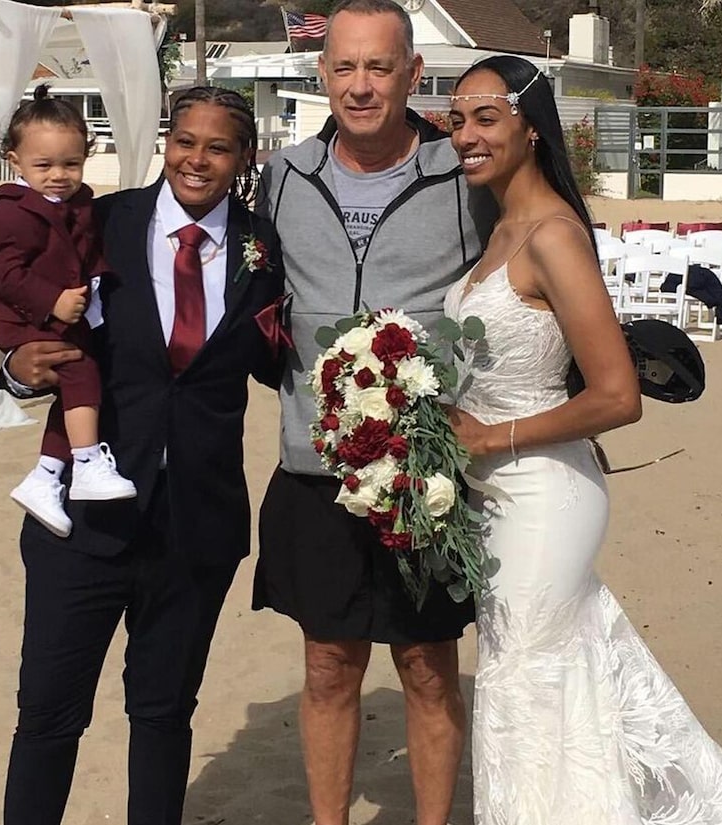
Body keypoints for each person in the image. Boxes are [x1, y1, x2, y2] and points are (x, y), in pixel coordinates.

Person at [444, 54, 722, 824]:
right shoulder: (496, 226)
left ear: (531, 130)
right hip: (492, 494)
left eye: (485, 118)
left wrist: (486, 437)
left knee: (522, 683)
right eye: (457, 118)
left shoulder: (553, 235)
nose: (465, 133)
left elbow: (617, 394)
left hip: (543, 495)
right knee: (545, 677)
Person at [0, 86, 286, 825]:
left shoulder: (264, 247)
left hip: (196, 526)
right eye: (184, 140)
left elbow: (276, 360)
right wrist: (13, 369)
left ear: (242, 157)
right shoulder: (97, 221)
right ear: (166, 142)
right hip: (82, 523)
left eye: (217, 146)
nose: (197, 159)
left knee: (163, 712)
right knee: (50, 713)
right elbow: (21, 300)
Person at [252, 2, 496, 822]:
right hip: (313, 467)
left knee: (428, 666)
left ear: (412, 75)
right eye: (345, 68)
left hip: (422, 473)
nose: (360, 87)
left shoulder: (464, 176)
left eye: (379, 67)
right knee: (327, 666)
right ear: (321, 74)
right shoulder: (281, 175)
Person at [0, 84, 136, 539]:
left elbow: (84, 249)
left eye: (71, 164)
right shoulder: (4, 217)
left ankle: (44, 477)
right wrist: (51, 301)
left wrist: (97, 279)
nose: (59, 175)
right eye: (43, 165)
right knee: (81, 377)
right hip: (31, 321)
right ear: (14, 159)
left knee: (78, 392)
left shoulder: (80, 204)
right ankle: (84, 464)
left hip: (74, 314)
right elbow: (3, 274)